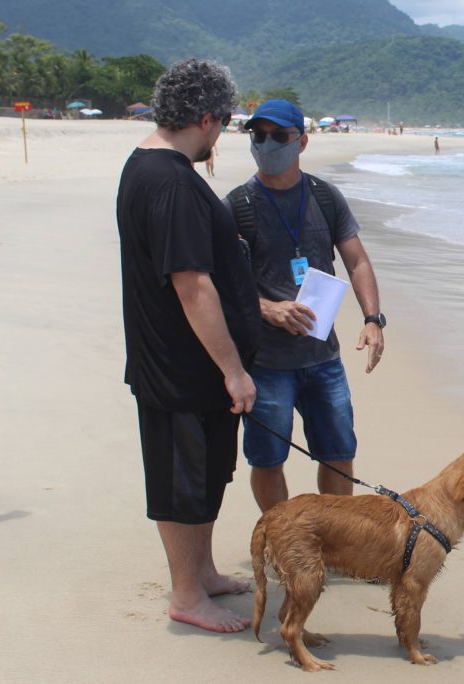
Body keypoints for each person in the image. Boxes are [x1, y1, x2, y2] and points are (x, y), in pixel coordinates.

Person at [116, 58, 260, 633]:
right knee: (181, 481)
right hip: (179, 369)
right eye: (223, 124)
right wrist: (234, 370)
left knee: (205, 476)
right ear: (206, 118)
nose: (220, 136)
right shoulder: (171, 181)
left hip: (189, 370)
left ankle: (202, 573)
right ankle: (185, 594)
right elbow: (192, 284)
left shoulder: (150, 168)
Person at [225, 99, 385, 513]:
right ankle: (283, 540)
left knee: (338, 451)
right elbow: (220, 284)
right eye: (258, 135)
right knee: (268, 457)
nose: (266, 143)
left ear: (302, 143)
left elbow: (357, 260)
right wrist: (267, 308)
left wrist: (373, 320)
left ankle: (332, 539)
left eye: (279, 135)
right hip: (265, 362)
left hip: (322, 357)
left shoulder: (324, 197)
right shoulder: (237, 205)